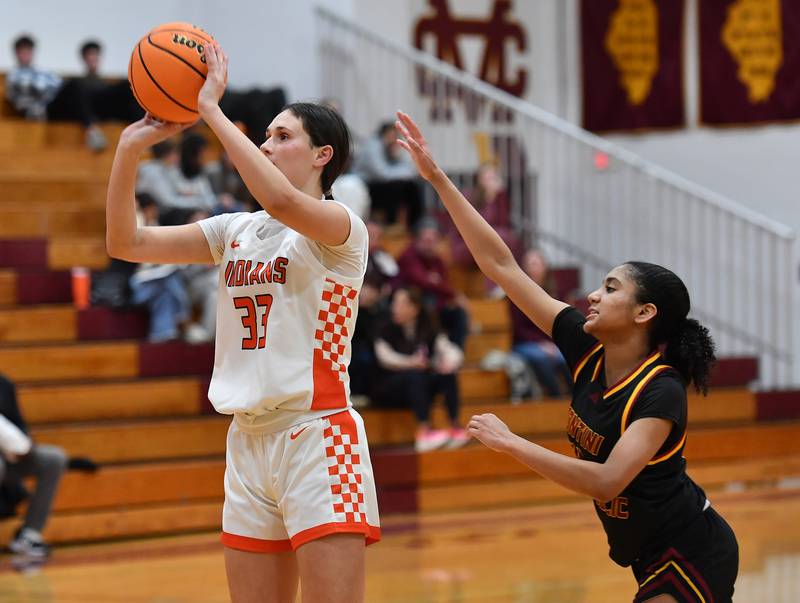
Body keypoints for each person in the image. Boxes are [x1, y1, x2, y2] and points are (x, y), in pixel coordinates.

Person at [395, 111, 738, 602]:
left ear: (644, 313)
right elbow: (500, 265)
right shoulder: (584, 345)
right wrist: (439, 179)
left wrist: (512, 443)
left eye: (610, 288)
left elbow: (607, 481)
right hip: (645, 554)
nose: (593, 296)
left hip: (692, 551)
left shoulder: (660, 390)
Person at [106, 44, 379, 603]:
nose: (267, 144)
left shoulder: (341, 228)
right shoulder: (236, 230)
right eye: (267, 136)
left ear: (323, 154)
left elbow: (280, 199)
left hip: (318, 437)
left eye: (284, 137)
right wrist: (128, 151)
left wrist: (210, 110)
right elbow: (125, 242)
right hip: (247, 440)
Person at [373, 288, 468, 452]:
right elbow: (385, 358)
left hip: (418, 387)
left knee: (447, 374)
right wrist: (411, 362)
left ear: (414, 308)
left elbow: (450, 350)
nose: (395, 307)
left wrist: (449, 363)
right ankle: (425, 431)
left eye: (401, 303)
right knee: (414, 376)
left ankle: (455, 426)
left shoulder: (428, 327)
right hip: (389, 386)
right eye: (394, 303)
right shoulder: (384, 327)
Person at [0, 374, 68, 558]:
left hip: (9, 455)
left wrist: (26, 444)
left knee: (54, 459)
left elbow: (18, 424)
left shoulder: (4, 384)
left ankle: (29, 535)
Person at [5, 35, 107, 150]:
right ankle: (91, 128)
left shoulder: (42, 71)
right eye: (22, 51)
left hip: (52, 105)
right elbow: (34, 89)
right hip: (42, 111)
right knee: (74, 85)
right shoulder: (14, 75)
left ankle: (93, 125)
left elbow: (59, 84)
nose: (25, 54)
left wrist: (55, 90)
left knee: (77, 90)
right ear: (16, 53)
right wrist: (52, 90)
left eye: (28, 50)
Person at [394, 218, 470, 349]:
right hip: (409, 307)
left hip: (433, 306)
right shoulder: (408, 256)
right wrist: (453, 294)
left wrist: (451, 296)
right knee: (429, 302)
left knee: (458, 313)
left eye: (433, 241)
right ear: (416, 240)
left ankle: (455, 352)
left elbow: (441, 283)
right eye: (426, 241)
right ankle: (430, 352)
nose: (430, 245)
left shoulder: (437, 260)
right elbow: (423, 281)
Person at [510, 249, 570, 398]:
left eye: (536, 263)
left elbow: (560, 323)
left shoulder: (556, 292)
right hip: (525, 343)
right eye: (529, 264)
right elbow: (519, 329)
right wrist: (541, 344)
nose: (533, 267)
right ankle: (556, 397)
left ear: (545, 266)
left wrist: (552, 344)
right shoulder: (517, 293)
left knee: (566, 357)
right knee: (541, 358)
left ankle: (577, 395)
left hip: (551, 342)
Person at [353, 121, 423, 228]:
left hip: (379, 184)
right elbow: (383, 174)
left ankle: (415, 225)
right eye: (391, 136)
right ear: (383, 135)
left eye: (395, 136)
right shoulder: (373, 146)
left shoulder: (389, 147)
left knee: (412, 186)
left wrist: (397, 153)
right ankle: (392, 225)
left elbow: (411, 170)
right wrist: (406, 173)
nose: (393, 139)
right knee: (395, 188)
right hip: (363, 186)